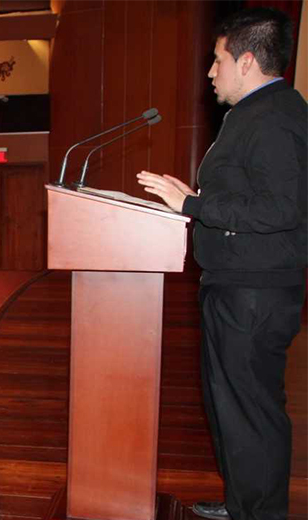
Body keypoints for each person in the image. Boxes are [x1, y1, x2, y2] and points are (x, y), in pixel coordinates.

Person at [137, 8, 305, 520]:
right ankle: (243, 504)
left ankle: (258, 513)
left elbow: (282, 209)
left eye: (217, 59)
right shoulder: (257, 114)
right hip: (237, 285)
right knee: (231, 411)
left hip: (253, 292)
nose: (211, 72)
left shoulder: (275, 118)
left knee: (251, 413)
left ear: (247, 60)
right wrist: (197, 201)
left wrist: (193, 205)